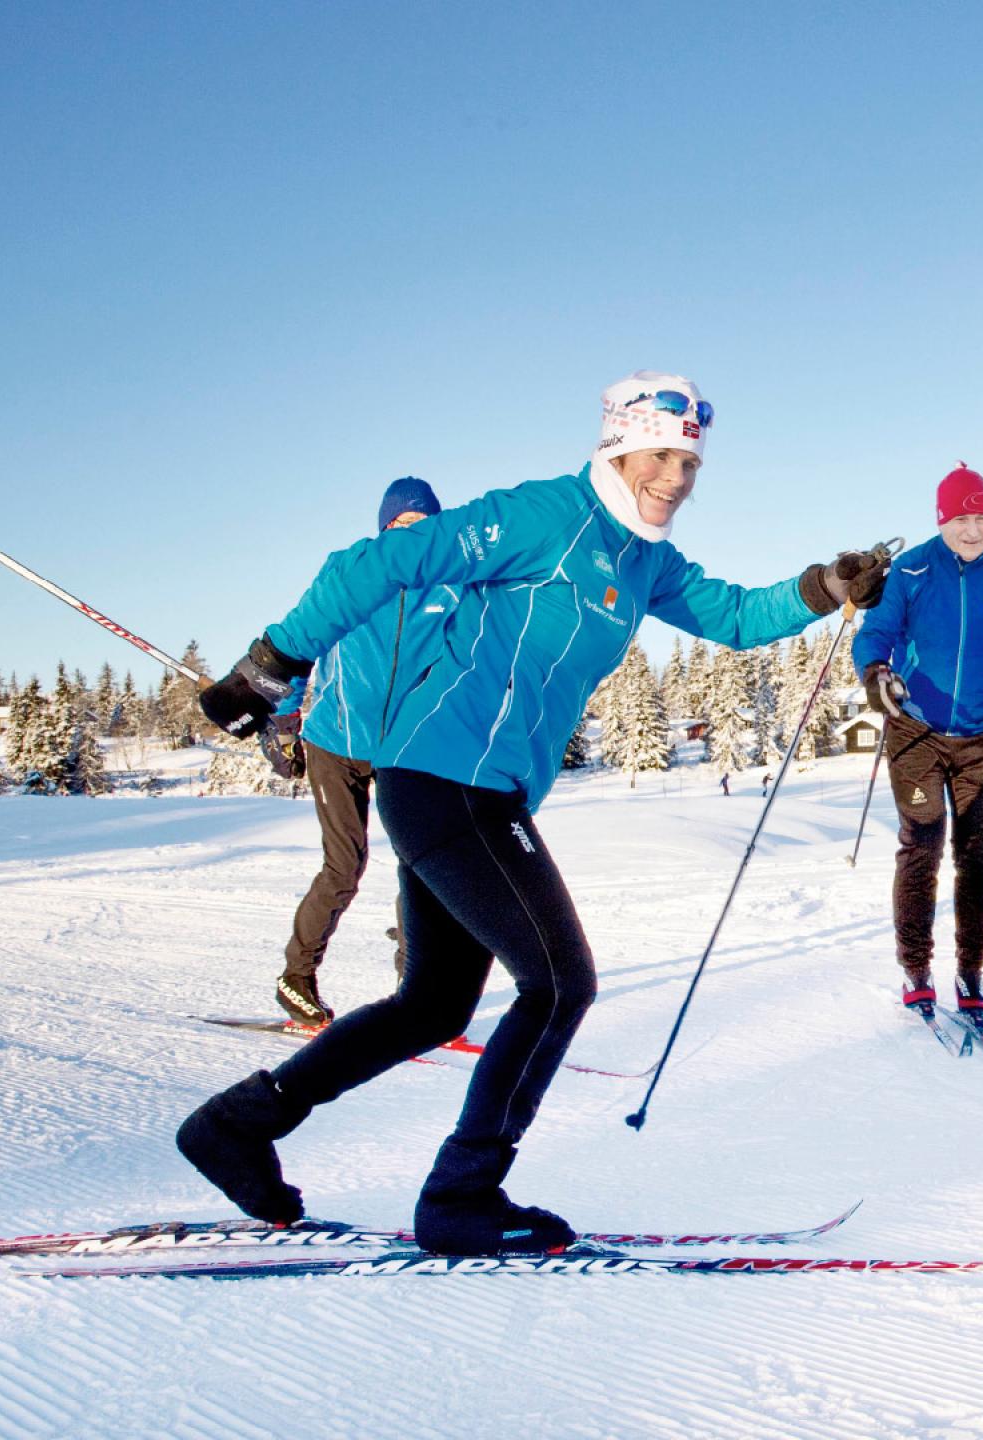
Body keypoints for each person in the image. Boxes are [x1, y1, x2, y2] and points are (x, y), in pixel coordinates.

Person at [180, 371, 887, 1254]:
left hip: (484, 790)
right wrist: (271, 663)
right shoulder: (543, 515)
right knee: (559, 984)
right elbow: (377, 563)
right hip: (443, 779)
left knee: (433, 1005)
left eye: (689, 462)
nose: (675, 477)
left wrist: (826, 584)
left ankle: (237, 1127)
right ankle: (462, 1196)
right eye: (659, 456)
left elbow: (735, 616)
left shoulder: (644, 559)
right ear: (619, 449)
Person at [853, 464, 983, 1027]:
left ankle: (971, 971)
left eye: (982, 518)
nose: (972, 531)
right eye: (962, 519)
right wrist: (875, 672)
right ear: (942, 519)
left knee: (977, 858)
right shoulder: (910, 571)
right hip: (916, 732)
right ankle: (916, 969)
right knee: (920, 848)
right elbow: (874, 635)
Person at [266, 476, 443, 1024]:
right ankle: (296, 978)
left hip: (403, 749)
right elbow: (303, 640)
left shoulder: (450, 584)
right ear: (384, 526)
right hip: (335, 741)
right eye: (401, 525)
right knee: (345, 866)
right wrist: (284, 722)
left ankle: (413, 988)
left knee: (422, 868)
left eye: (423, 525)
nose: (411, 535)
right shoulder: (349, 569)